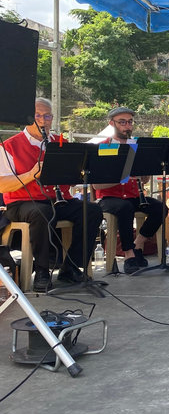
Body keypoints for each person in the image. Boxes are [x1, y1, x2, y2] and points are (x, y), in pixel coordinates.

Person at [0, 98, 103, 292]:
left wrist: (77, 171)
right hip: (21, 203)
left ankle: (71, 267)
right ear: (28, 119)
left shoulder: (60, 143)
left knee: (92, 210)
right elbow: (3, 185)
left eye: (47, 116)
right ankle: (42, 271)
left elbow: (73, 180)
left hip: (58, 199)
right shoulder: (9, 146)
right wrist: (31, 174)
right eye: (37, 116)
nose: (42, 120)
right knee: (41, 212)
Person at [93, 106, 165, 275]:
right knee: (125, 208)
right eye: (122, 122)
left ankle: (138, 243)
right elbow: (96, 186)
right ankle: (128, 254)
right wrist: (123, 176)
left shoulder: (137, 147)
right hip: (109, 198)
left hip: (133, 196)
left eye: (130, 122)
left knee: (160, 208)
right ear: (112, 124)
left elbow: (145, 179)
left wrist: (145, 173)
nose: (127, 126)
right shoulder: (103, 147)